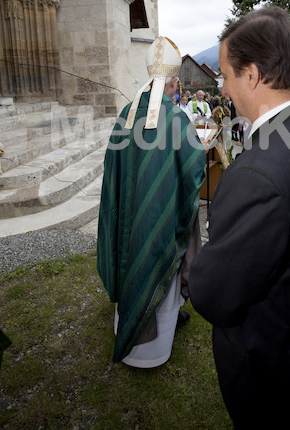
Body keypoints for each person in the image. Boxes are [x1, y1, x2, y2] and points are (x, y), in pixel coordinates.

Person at [189, 7, 290, 430]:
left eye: (226, 75)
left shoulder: (256, 174)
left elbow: (214, 295)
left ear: (253, 75)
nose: (223, 89)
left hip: (274, 377)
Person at [97, 36, 206, 367]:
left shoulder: (126, 114)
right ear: (173, 80)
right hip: (161, 214)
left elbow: (112, 169)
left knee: (132, 260)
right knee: (161, 260)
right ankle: (153, 351)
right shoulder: (175, 118)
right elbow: (192, 170)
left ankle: (128, 326)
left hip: (127, 219)